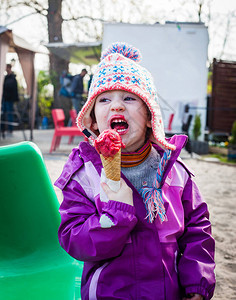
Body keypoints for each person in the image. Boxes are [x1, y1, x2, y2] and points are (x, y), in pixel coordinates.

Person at [55, 42, 215, 300]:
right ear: (92, 120)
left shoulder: (175, 173)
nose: (117, 106)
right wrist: (114, 216)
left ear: (151, 115)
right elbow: (73, 238)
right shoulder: (84, 175)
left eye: (129, 98)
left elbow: (198, 230)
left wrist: (197, 282)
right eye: (105, 99)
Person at [1, 64, 19, 137]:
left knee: (9, 114)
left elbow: (12, 88)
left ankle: (10, 129)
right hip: (4, 98)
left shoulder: (12, 78)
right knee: (3, 114)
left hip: (9, 99)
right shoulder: (5, 77)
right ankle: (2, 129)